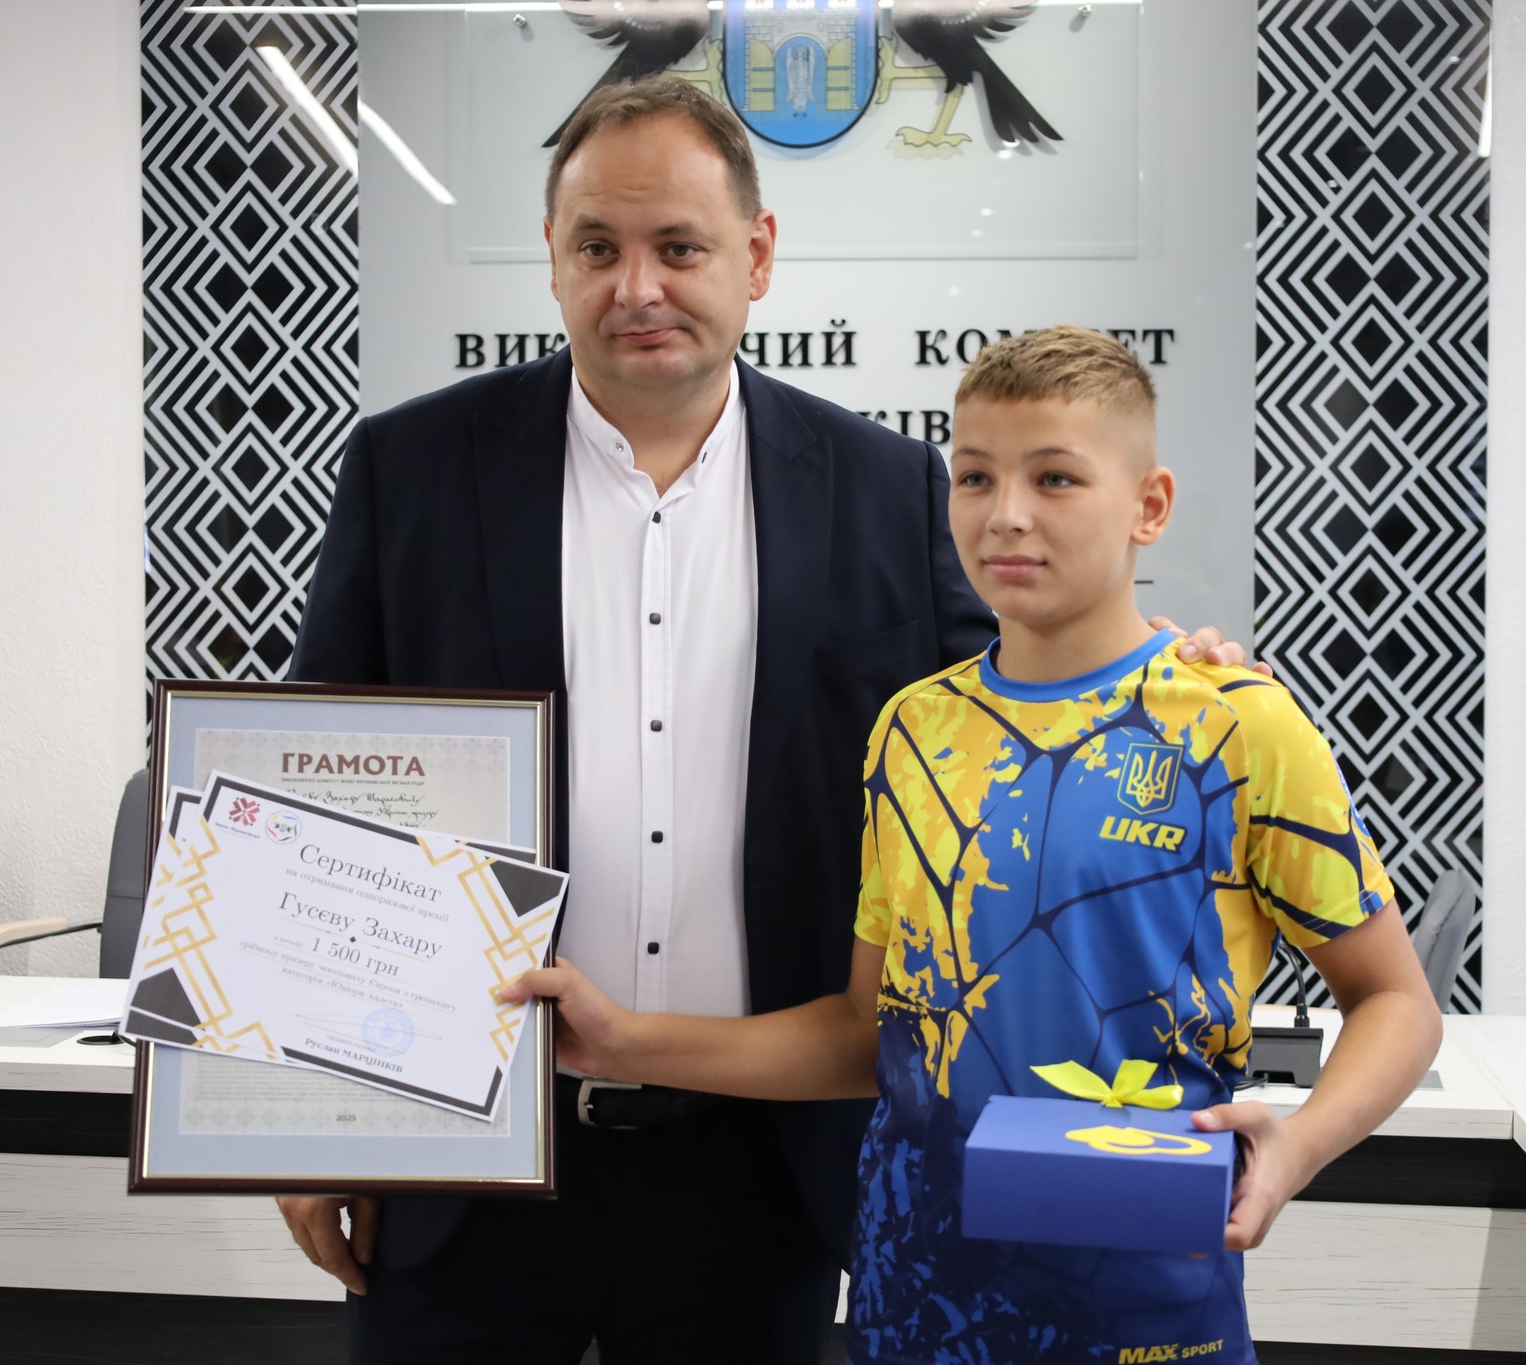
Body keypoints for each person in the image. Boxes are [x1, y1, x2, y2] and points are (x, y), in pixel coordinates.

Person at [278, 77, 1255, 1364]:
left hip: (765, 1175)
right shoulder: (409, 468)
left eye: (678, 248)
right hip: (467, 1149)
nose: (637, 287)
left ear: (756, 256)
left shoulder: (886, 487)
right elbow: (318, 804)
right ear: (553, 258)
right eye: (597, 248)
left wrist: (1152, 685)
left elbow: (1014, 721)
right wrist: (304, 1118)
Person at [503, 326, 1443, 1364]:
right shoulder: (911, 730)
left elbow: (1396, 1001)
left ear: (1149, 506)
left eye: (1055, 478)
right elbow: (866, 1033)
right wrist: (623, 1040)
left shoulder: (1237, 723)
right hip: (914, 1303)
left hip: (1145, 1306)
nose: (1006, 515)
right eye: (976, 476)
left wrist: (1298, 1142)